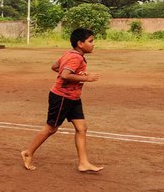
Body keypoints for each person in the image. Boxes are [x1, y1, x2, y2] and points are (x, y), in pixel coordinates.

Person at [21, 27, 103, 172]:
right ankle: (28, 152)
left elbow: (55, 67)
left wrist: (76, 75)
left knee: (81, 128)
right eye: (91, 41)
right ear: (80, 43)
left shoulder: (70, 54)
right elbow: (64, 75)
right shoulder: (75, 57)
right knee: (51, 128)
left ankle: (83, 163)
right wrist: (86, 78)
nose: (93, 44)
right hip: (62, 97)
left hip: (73, 97)